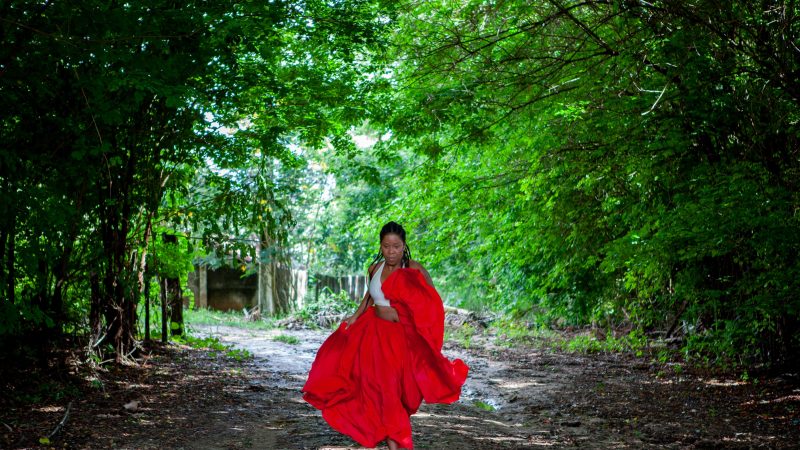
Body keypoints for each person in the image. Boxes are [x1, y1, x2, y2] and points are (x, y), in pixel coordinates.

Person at [302, 221, 469, 450]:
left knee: (400, 394)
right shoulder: (374, 269)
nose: (391, 251)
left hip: (403, 339)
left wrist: (424, 330)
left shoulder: (413, 269)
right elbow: (369, 298)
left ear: (404, 246)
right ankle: (396, 443)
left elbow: (431, 302)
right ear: (380, 246)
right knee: (380, 389)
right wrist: (354, 316)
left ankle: (395, 436)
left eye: (396, 246)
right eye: (386, 246)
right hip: (374, 335)